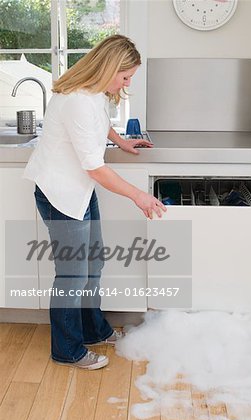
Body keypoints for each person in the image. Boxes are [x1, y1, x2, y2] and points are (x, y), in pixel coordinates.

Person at [23, 34, 166, 370]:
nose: (127, 82)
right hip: (61, 194)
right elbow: (96, 169)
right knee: (72, 275)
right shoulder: (76, 100)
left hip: (80, 190)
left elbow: (100, 126)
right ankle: (67, 349)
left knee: (93, 266)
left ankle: (93, 329)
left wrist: (123, 141)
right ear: (109, 67)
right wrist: (139, 196)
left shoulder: (92, 93)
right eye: (125, 76)